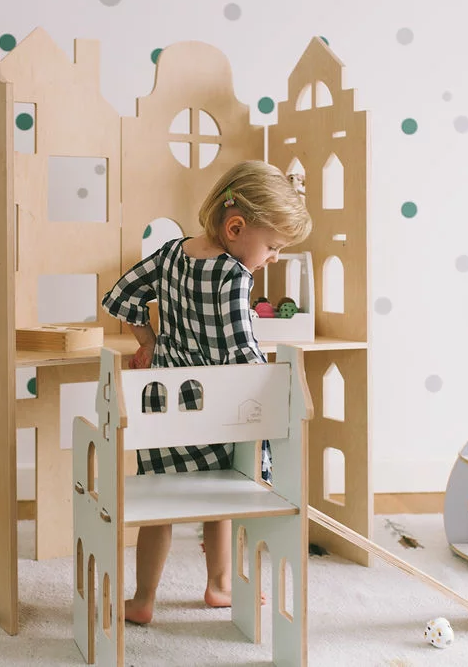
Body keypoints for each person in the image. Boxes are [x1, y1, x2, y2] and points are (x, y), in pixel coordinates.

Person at [100, 159, 312, 625]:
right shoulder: (233, 277)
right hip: (214, 410)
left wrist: (148, 343)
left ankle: (143, 599)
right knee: (221, 500)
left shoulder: (170, 254)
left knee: (159, 504)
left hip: (164, 407)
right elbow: (243, 350)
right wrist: (274, 388)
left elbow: (121, 296)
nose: (273, 258)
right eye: (272, 247)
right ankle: (219, 585)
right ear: (236, 228)